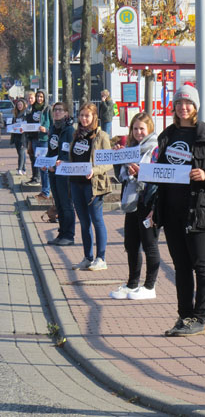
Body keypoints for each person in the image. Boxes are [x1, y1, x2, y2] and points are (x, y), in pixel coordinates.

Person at [153, 85, 205, 337]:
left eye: (188, 103)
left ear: (196, 107)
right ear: (174, 107)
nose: (184, 107)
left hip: (199, 210)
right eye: (180, 103)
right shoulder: (167, 135)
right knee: (180, 267)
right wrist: (141, 172)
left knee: (202, 267)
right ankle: (184, 316)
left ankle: (200, 317)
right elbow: (156, 169)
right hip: (171, 212)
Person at [109, 113, 161, 300]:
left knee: (150, 244)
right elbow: (121, 177)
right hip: (132, 200)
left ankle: (150, 286)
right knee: (131, 244)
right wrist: (117, 159)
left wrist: (140, 174)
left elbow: (158, 177)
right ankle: (132, 284)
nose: (138, 132)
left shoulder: (155, 149)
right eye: (135, 128)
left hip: (149, 201)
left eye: (142, 129)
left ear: (149, 130)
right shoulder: (130, 149)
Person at [63, 103, 113, 271]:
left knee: (97, 220)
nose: (84, 119)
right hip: (76, 184)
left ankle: (101, 258)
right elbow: (74, 159)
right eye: (82, 115)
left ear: (94, 117)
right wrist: (62, 164)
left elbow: (108, 163)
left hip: (93, 186)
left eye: (87, 116)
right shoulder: (77, 135)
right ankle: (87, 257)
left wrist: (94, 170)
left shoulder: (101, 136)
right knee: (84, 223)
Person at [45, 102, 75, 246]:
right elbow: (51, 150)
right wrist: (46, 162)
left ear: (66, 113)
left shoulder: (69, 130)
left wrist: (61, 162)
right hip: (53, 172)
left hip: (65, 173)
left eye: (60, 110)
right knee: (59, 204)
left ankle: (69, 235)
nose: (57, 112)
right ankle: (61, 233)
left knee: (66, 204)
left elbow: (70, 153)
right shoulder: (53, 128)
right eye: (55, 110)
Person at [10, 98, 28, 176]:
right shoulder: (15, 114)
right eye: (18, 105)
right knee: (20, 153)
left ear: (23, 105)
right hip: (16, 136)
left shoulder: (26, 114)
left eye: (21, 105)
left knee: (21, 152)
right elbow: (12, 124)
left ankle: (20, 169)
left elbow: (27, 125)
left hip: (23, 137)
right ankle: (24, 168)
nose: (19, 106)